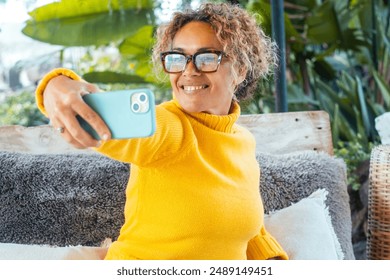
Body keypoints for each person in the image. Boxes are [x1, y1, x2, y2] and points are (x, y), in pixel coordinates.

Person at [35, 2, 288, 260]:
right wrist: (56, 87)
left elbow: (248, 226)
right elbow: (120, 123)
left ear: (240, 70)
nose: (189, 70)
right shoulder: (169, 126)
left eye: (207, 57)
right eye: (178, 58)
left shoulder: (243, 142)